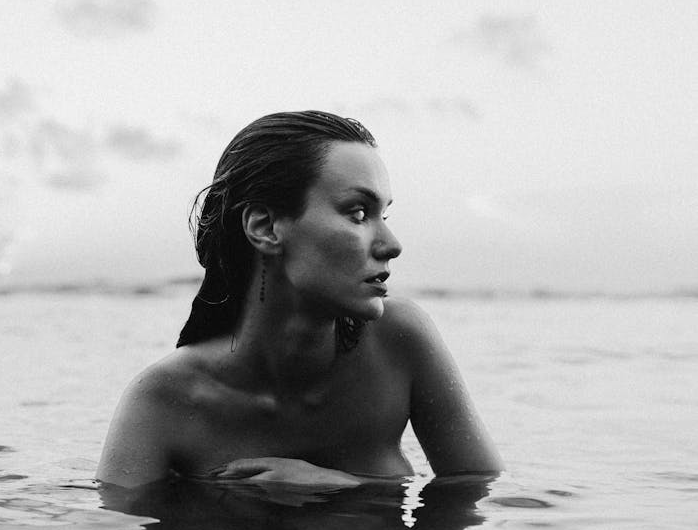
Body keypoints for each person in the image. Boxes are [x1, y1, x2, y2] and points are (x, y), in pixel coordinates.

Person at [97, 110, 502, 490]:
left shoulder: (400, 341)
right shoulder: (162, 402)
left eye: (384, 216)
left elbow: (478, 491)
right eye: (358, 213)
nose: (391, 245)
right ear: (266, 227)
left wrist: (339, 486)